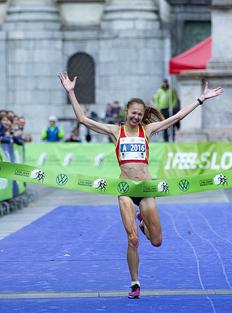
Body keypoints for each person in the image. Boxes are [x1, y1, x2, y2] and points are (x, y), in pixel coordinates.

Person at [59, 72, 223, 298]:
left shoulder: (147, 130)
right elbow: (83, 120)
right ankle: (135, 283)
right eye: (133, 113)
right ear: (126, 112)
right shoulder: (116, 131)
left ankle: (144, 225)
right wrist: (71, 92)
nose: (136, 117)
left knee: (156, 241)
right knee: (132, 239)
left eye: (140, 114)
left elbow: (176, 117)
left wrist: (201, 99)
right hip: (125, 189)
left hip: (146, 189)